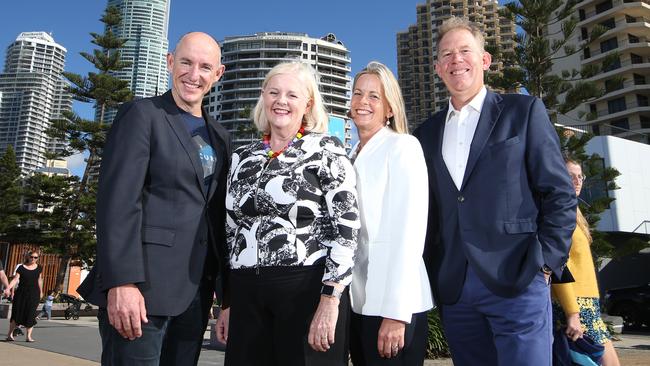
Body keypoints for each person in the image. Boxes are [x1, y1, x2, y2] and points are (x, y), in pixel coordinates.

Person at [413, 17, 577, 366]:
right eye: (447, 54)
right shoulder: (424, 134)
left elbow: (559, 193)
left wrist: (545, 263)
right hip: (456, 289)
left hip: (519, 279)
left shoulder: (523, 111)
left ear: (484, 60)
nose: (456, 59)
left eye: (464, 51)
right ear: (438, 68)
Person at [76, 32, 231, 366]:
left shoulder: (221, 136)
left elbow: (219, 220)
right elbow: (118, 202)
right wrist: (122, 282)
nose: (194, 74)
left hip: (195, 294)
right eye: (186, 62)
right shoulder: (142, 115)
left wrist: (226, 296)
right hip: (141, 293)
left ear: (218, 74)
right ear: (170, 62)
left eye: (205, 67)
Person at [216, 61, 360, 365]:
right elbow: (230, 231)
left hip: (305, 291)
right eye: (274, 92)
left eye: (292, 95)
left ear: (307, 104)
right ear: (263, 98)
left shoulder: (326, 150)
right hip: (246, 294)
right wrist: (227, 303)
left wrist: (330, 299)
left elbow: (346, 229)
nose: (281, 101)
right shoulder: (241, 158)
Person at [348, 61, 433, 365]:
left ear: (390, 108)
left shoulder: (403, 147)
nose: (363, 102)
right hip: (359, 303)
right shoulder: (349, 156)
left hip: (393, 305)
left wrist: (397, 314)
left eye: (374, 96)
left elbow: (409, 234)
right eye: (358, 93)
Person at [552, 158, 621, 366]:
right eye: (570, 175)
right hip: (576, 304)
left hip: (588, 304)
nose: (577, 181)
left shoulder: (574, 213)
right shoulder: (558, 214)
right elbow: (559, 264)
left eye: (580, 176)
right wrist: (572, 312)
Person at [4, 250, 42, 342]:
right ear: (28, 257)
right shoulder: (21, 267)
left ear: (37, 258)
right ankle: (10, 335)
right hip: (21, 293)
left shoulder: (39, 268)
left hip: (34, 293)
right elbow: (15, 279)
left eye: (35, 257)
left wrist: (41, 292)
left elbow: (39, 280)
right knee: (16, 314)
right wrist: (8, 288)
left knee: (31, 314)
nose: (33, 259)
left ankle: (28, 336)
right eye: (31, 257)